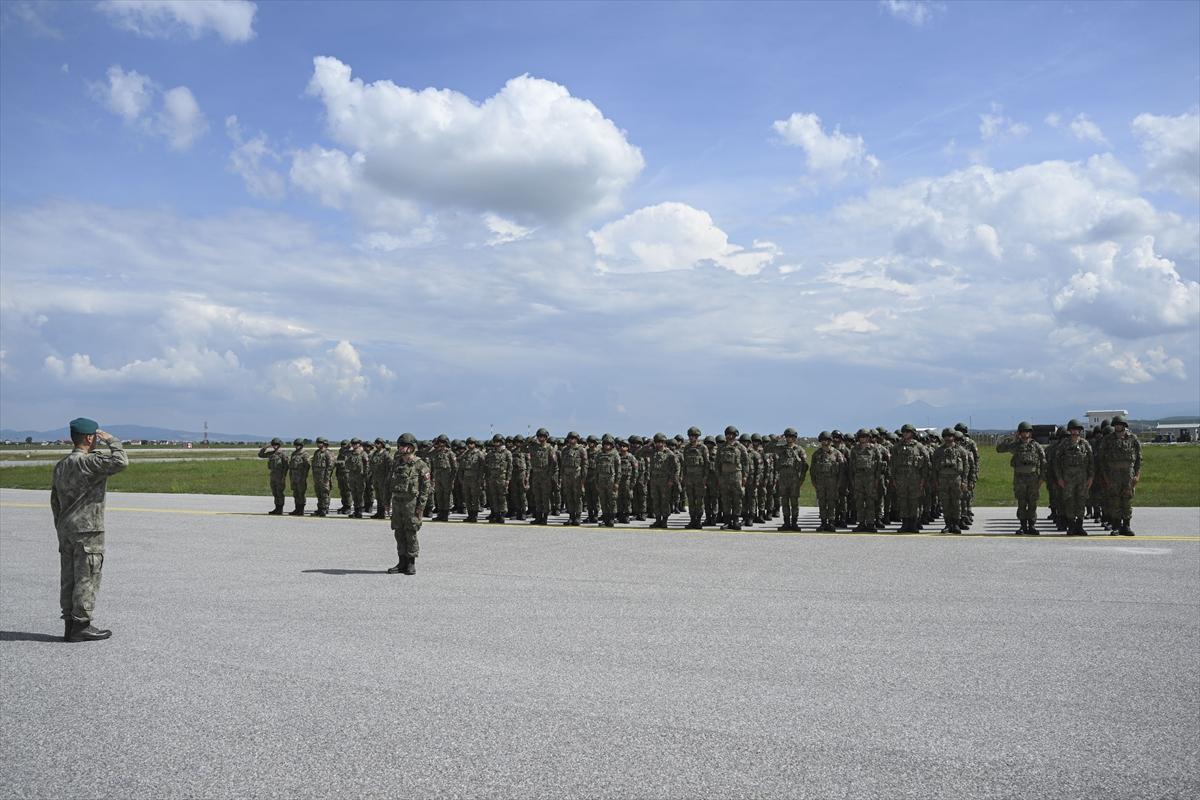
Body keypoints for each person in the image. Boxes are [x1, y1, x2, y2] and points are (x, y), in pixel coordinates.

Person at [50, 418, 128, 642]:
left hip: (66, 529)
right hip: (88, 531)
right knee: (87, 577)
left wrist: (60, 525)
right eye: (95, 437)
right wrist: (112, 440)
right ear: (89, 437)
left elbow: (54, 500)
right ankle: (81, 625)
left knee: (69, 578)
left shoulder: (62, 465)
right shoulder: (89, 462)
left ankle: (69, 625)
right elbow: (121, 461)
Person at [387, 433, 429, 575]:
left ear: (412, 447)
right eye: (400, 445)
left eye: (404, 445)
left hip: (411, 504)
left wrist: (421, 507)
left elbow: (426, 488)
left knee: (411, 533)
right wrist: (386, 502)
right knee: (399, 532)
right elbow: (389, 482)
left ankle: (411, 563)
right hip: (397, 503)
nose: (401, 448)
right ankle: (401, 562)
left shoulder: (420, 465)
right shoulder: (396, 463)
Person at [996, 422, 1046, 535]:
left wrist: (1042, 478)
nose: (1025, 434)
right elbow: (999, 449)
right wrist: (1012, 438)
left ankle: (1031, 525)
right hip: (1020, 478)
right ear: (1019, 433)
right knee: (1021, 503)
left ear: (1030, 433)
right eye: (1023, 431)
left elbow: (1043, 461)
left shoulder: (1036, 446)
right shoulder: (1015, 445)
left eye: (1027, 431)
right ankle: (1023, 526)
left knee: (1032, 503)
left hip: (1033, 478)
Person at [1097, 416, 1141, 536]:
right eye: (1116, 424)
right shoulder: (1107, 440)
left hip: (1128, 475)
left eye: (1120, 424)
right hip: (1113, 475)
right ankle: (1116, 526)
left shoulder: (1133, 439)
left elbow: (1139, 458)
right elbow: (1101, 459)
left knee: (1127, 501)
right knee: (1114, 501)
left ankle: (1126, 526)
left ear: (1124, 426)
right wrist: (1105, 476)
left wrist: (1137, 475)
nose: (1118, 426)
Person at [1053, 420, 1094, 536]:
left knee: (1081, 501)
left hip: (1082, 478)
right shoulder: (1064, 444)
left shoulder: (1085, 444)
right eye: (1073, 430)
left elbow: (1091, 462)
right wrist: (1059, 478)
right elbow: (1056, 462)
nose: (1075, 432)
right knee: (1069, 501)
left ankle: (1079, 526)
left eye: (1077, 430)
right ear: (1070, 431)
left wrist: (1091, 477)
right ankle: (1071, 526)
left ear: (1080, 431)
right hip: (1068, 478)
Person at [890, 424, 929, 533]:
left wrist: (923, 479)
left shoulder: (919, 447)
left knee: (914, 502)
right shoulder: (897, 447)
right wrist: (893, 478)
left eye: (908, 432)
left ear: (912, 433)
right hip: (901, 479)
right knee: (903, 501)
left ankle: (913, 523)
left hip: (915, 479)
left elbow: (926, 463)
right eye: (904, 432)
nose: (906, 434)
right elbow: (892, 464)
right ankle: (905, 523)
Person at [931, 428, 969, 534]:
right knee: (945, 503)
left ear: (954, 437)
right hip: (942, 479)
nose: (948, 438)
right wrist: (935, 480)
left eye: (950, 436)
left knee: (956, 502)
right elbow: (934, 467)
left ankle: (956, 524)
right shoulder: (938, 451)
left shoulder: (961, 450)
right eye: (946, 436)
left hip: (956, 479)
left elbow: (966, 467)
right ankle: (948, 524)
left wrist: (964, 481)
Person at [775, 428, 808, 531]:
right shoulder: (781, 449)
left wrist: (801, 479)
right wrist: (776, 440)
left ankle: (794, 523)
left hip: (794, 480)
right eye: (787, 436)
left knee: (794, 502)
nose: (789, 438)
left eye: (791, 436)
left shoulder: (799, 450)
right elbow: (767, 449)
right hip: (783, 479)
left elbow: (805, 465)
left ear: (795, 438)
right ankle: (786, 523)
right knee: (784, 501)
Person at [809, 432, 844, 531]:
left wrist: (839, 483)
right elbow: (812, 470)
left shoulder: (837, 453)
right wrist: (814, 482)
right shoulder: (816, 454)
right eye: (823, 440)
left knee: (832, 503)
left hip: (832, 482)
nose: (825, 442)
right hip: (820, 483)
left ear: (830, 441)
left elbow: (841, 469)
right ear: (821, 441)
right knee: (822, 502)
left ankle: (831, 522)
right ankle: (823, 522)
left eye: (828, 440)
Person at [680, 427, 709, 529]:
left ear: (697, 437)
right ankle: (692, 520)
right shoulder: (686, 448)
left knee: (699, 500)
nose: (692, 438)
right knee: (691, 500)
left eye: (694, 436)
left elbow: (707, 464)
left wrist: (705, 477)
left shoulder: (703, 448)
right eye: (690, 436)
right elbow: (684, 464)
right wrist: (684, 476)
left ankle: (698, 520)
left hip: (699, 479)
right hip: (689, 479)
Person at [428, 434, 457, 521]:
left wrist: (452, 479)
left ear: (446, 443)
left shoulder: (450, 453)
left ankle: (445, 514)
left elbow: (455, 467)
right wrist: (434, 446)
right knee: (439, 495)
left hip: (447, 477)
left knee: (446, 496)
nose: (441, 444)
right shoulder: (436, 452)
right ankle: (440, 514)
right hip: (438, 477)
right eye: (439, 442)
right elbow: (428, 454)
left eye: (443, 442)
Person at [257, 437, 289, 515]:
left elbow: (286, 466)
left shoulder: (283, 454)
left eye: (276, 445)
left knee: (279, 492)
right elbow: (260, 455)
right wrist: (265, 447)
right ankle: (276, 508)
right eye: (273, 445)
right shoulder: (271, 454)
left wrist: (283, 477)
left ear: (279, 445)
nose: (275, 446)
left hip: (280, 475)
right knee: (274, 492)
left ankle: (280, 508)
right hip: (273, 475)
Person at [311, 438, 335, 517]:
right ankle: (320, 508)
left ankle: (324, 508)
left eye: (320, 442)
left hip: (324, 476)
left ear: (324, 443)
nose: (318, 444)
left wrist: (327, 477)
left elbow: (330, 466)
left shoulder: (328, 453)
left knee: (325, 493)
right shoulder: (316, 452)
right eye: (317, 442)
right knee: (318, 493)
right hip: (317, 477)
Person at [287, 438, 310, 516]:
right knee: (295, 493)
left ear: (301, 445)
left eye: (298, 445)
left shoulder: (305, 454)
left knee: (301, 493)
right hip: (294, 476)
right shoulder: (294, 454)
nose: (297, 446)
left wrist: (304, 476)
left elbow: (307, 466)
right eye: (296, 445)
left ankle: (301, 509)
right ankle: (297, 508)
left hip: (301, 476)